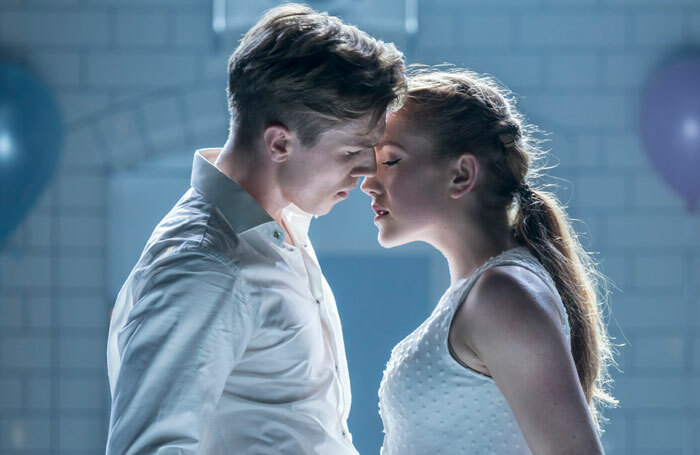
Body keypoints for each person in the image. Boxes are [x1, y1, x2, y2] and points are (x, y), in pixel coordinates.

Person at [106, 4, 405, 454]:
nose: (367, 170)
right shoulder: (206, 266)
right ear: (280, 142)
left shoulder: (279, 229)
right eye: (351, 152)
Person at [362, 69, 617, 454]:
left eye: (391, 160)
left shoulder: (503, 295)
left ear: (462, 174)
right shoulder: (483, 293)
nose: (368, 180)